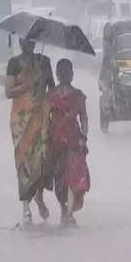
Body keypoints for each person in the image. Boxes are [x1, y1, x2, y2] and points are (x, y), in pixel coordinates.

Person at [5, 38, 55, 225]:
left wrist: (48, 106)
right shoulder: (14, 63)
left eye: (31, 40)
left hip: (41, 120)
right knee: (24, 162)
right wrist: (28, 85)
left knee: (42, 160)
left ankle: (39, 197)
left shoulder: (45, 62)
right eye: (25, 40)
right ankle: (25, 206)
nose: (28, 43)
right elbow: (8, 92)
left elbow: (52, 89)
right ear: (20, 42)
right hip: (20, 122)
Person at [46, 58, 90, 227]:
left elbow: (45, 120)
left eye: (66, 71)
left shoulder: (51, 96)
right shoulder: (77, 96)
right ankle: (68, 212)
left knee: (63, 177)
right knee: (70, 176)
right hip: (71, 139)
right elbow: (84, 119)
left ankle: (67, 211)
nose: (65, 74)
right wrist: (84, 138)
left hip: (60, 139)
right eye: (64, 71)